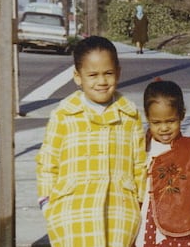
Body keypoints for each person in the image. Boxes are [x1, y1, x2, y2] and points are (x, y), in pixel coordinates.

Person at [36, 36, 147, 247]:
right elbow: (47, 162)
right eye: (93, 75)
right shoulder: (64, 115)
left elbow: (139, 164)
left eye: (108, 73)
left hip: (119, 214)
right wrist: (47, 204)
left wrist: (139, 202)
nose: (102, 81)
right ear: (78, 77)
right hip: (72, 216)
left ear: (118, 72)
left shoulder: (130, 115)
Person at [136, 79, 190, 247]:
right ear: (148, 117)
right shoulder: (140, 145)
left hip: (180, 229)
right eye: (156, 122)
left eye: (170, 121)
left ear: (181, 115)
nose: (164, 128)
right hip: (143, 222)